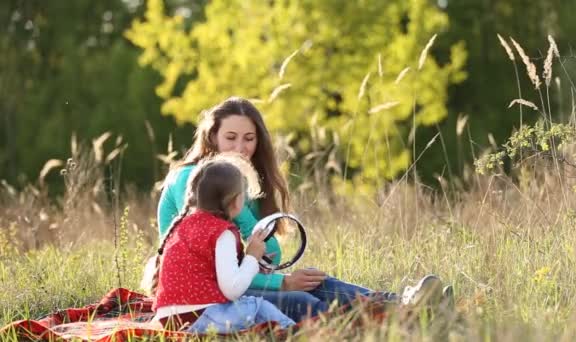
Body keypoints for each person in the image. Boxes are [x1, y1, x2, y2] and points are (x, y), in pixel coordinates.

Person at [157, 96, 453, 322]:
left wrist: (270, 266)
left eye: (249, 139)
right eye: (230, 138)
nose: (240, 149)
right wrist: (282, 282)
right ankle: (395, 314)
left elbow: (270, 251)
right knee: (301, 295)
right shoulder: (195, 180)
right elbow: (220, 276)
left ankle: (403, 305)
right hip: (201, 292)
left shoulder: (240, 182)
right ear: (212, 139)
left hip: (230, 280)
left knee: (316, 282)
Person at [151, 154, 295, 333]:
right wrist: (251, 258)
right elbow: (232, 290)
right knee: (259, 307)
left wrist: (252, 261)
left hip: (169, 318)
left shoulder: (182, 225)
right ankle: (296, 332)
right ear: (236, 202)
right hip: (199, 316)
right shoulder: (221, 232)